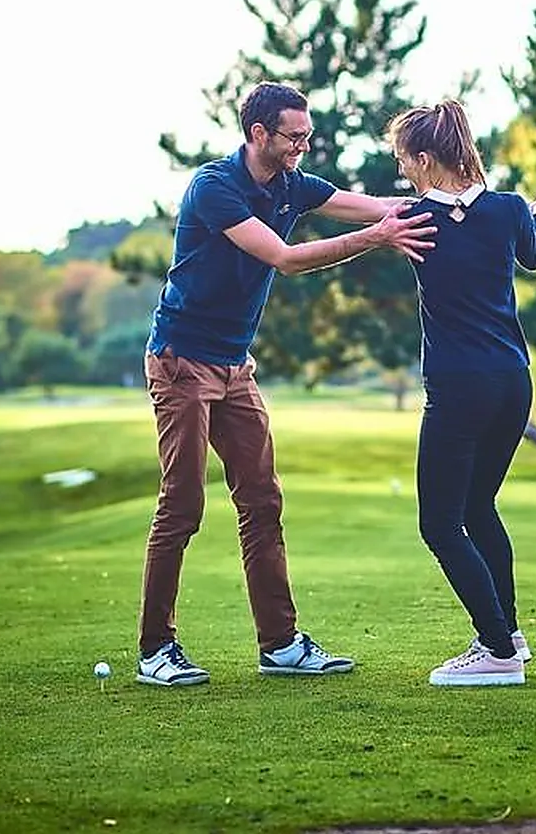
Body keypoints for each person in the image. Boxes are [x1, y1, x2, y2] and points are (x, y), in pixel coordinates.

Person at [136, 81, 436, 687]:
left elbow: (375, 205)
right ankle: (155, 650)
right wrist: (375, 240)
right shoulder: (215, 188)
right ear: (258, 134)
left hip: (233, 365)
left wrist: (458, 204)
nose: (304, 145)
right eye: (294, 136)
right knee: (184, 503)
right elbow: (285, 258)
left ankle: (280, 644)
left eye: (307, 135)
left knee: (263, 501)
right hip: (182, 361)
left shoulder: (293, 184)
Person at [385, 99, 536, 686]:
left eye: (404, 162)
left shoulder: (415, 219)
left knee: (439, 524)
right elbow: (535, 252)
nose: (403, 173)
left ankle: (496, 650)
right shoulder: (507, 210)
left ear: (424, 158)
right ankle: (509, 634)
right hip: (512, 383)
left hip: (458, 388)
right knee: (476, 507)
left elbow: (388, 224)